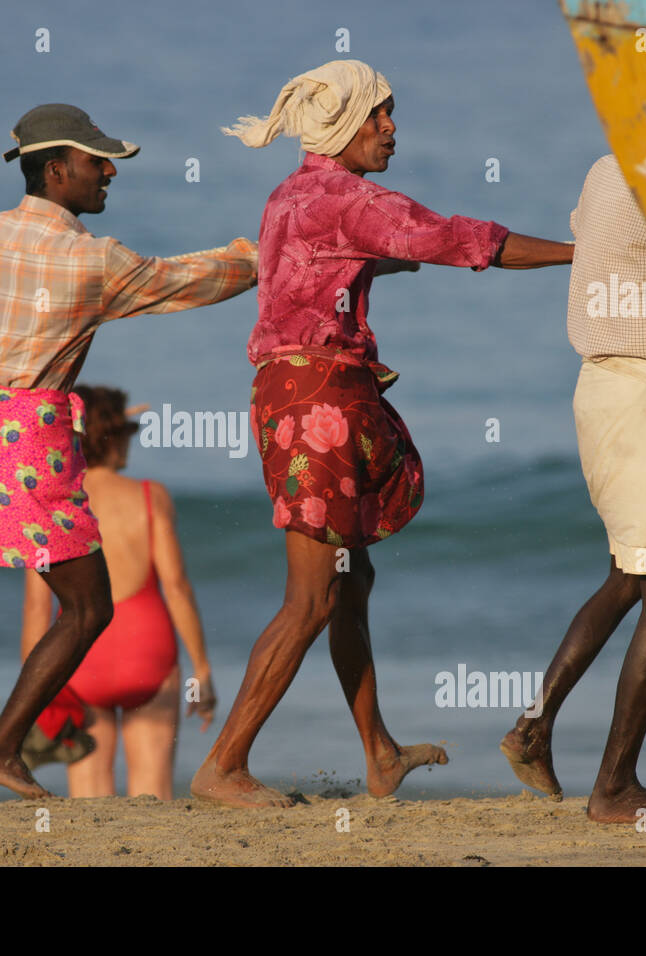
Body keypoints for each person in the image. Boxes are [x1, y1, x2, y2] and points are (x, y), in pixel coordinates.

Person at [192, 60, 576, 808]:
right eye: (378, 116)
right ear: (343, 124)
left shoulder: (290, 196)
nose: (391, 127)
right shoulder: (341, 196)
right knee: (310, 599)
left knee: (350, 580)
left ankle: (379, 753)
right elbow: (460, 239)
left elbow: (352, 258)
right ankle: (223, 765)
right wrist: (582, 254)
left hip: (298, 395)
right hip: (317, 403)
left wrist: (396, 256)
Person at [0, 103, 258, 803]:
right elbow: (184, 281)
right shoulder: (94, 260)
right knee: (90, 609)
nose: (110, 172)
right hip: (30, 437)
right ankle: (0, 749)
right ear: (57, 171)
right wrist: (262, 258)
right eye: (97, 162)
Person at [500, 155, 646, 824]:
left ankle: (534, 727)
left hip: (605, 387)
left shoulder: (604, 170)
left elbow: (593, 234)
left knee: (630, 573)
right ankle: (615, 788)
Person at [22, 386, 216, 799]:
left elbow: (36, 608)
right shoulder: (149, 496)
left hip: (79, 655)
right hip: (147, 653)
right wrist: (202, 670)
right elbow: (177, 587)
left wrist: (36, 688)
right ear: (112, 437)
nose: (131, 441)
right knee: (153, 791)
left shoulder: (53, 503)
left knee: (88, 797)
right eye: (127, 432)